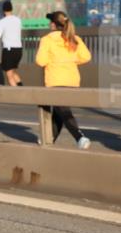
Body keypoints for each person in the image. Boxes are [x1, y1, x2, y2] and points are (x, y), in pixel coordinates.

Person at [36, 11, 92, 149]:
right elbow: (86, 57)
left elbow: (40, 61)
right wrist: (70, 61)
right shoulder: (74, 38)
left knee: (63, 111)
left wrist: (55, 61)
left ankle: (80, 137)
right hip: (72, 81)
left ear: (53, 25)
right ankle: (48, 140)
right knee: (59, 112)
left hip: (55, 81)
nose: (49, 24)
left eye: (50, 22)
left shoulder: (47, 39)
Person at [0, 0, 23, 86]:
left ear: (3, 10)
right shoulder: (18, 20)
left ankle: (18, 96)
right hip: (19, 50)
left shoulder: (2, 22)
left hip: (9, 50)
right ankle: (22, 89)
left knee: (9, 75)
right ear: (11, 9)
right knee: (13, 72)